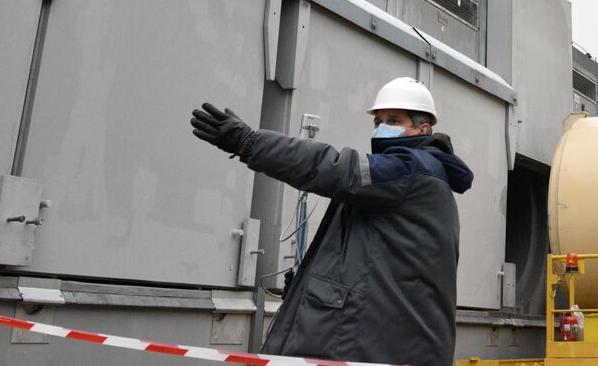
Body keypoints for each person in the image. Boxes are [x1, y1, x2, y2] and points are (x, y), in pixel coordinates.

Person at [190, 77, 473, 366]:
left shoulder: (410, 168)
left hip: (380, 350)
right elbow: (379, 264)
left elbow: (335, 168)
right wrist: (309, 284)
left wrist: (250, 143)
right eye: (377, 121)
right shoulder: (418, 180)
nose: (380, 128)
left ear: (423, 129)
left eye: (393, 120)